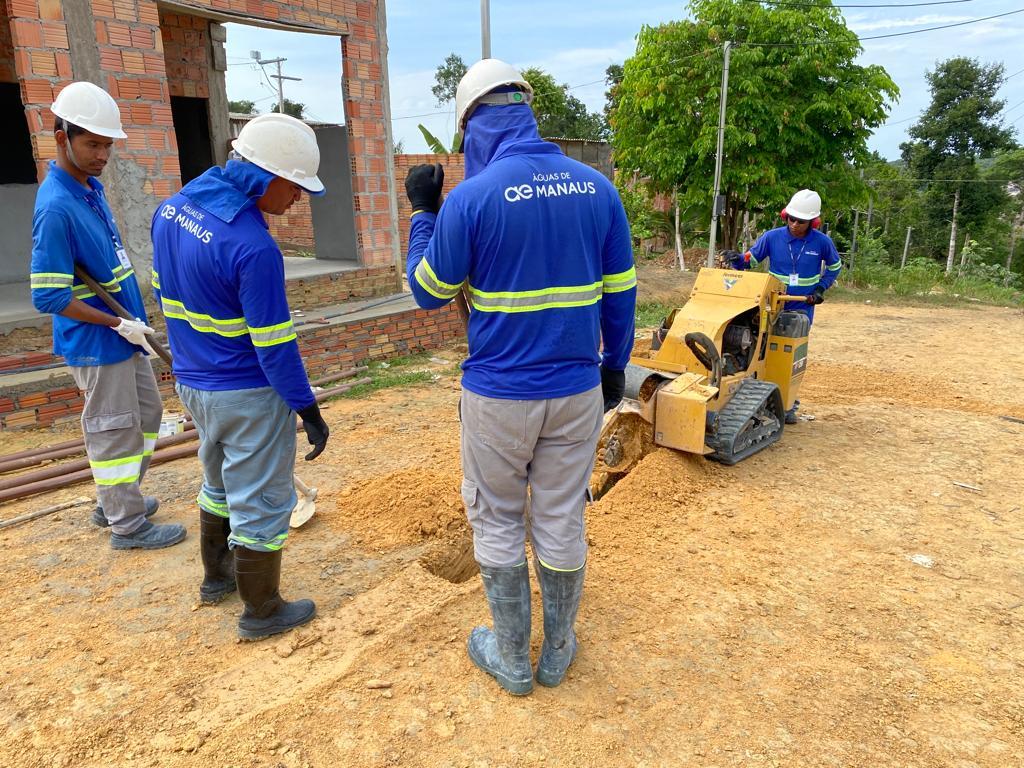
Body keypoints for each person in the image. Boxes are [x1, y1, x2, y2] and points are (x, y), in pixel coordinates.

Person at [404, 59, 637, 695]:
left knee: (498, 517)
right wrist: (614, 366)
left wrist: (424, 214)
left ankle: (511, 658)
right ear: (526, 112)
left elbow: (428, 291)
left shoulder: (472, 199)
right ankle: (557, 650)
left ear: (472, 125)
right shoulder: (598, 189)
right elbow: (621, 293)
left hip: (500, 398)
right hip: (576, 390)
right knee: (561, 513)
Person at [150, 113, 329, 641]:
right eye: (295, 187)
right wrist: (308, 409)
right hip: (246, 393)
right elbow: (274, 347)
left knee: (218, 480)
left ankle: (216, 578)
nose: (298, 199)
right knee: (264, 499)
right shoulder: (253, 248)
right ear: (268, 176)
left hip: (193, 383)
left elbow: (163, 292)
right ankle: (262, 610)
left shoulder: (173, 209)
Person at [30, 81, 185, 551]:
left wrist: (132, 324)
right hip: (99, 343)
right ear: (62, 138)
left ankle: (115, 497)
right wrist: (115, 323)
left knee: (148, 414)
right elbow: (49, 298)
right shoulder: (56, 207)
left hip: (125, 336)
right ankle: (126, 525)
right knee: (114, 429)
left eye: (107, 144)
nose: (102, 154)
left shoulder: (88, 188)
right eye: (92, 144)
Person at [724, 188, 842, 422]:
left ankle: (787, 405)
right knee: (758, 351)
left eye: (801, 221)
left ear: (813, 222)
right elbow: (750, 260)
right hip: (770, 305)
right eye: (791, 218)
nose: (795, 224)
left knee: (788, 357)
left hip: (800, 308)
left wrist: (820, 288)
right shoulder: (772, 237)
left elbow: (835, 267)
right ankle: (755, 398)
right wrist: (737, 259)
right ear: (785, 215)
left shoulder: (822, 243)